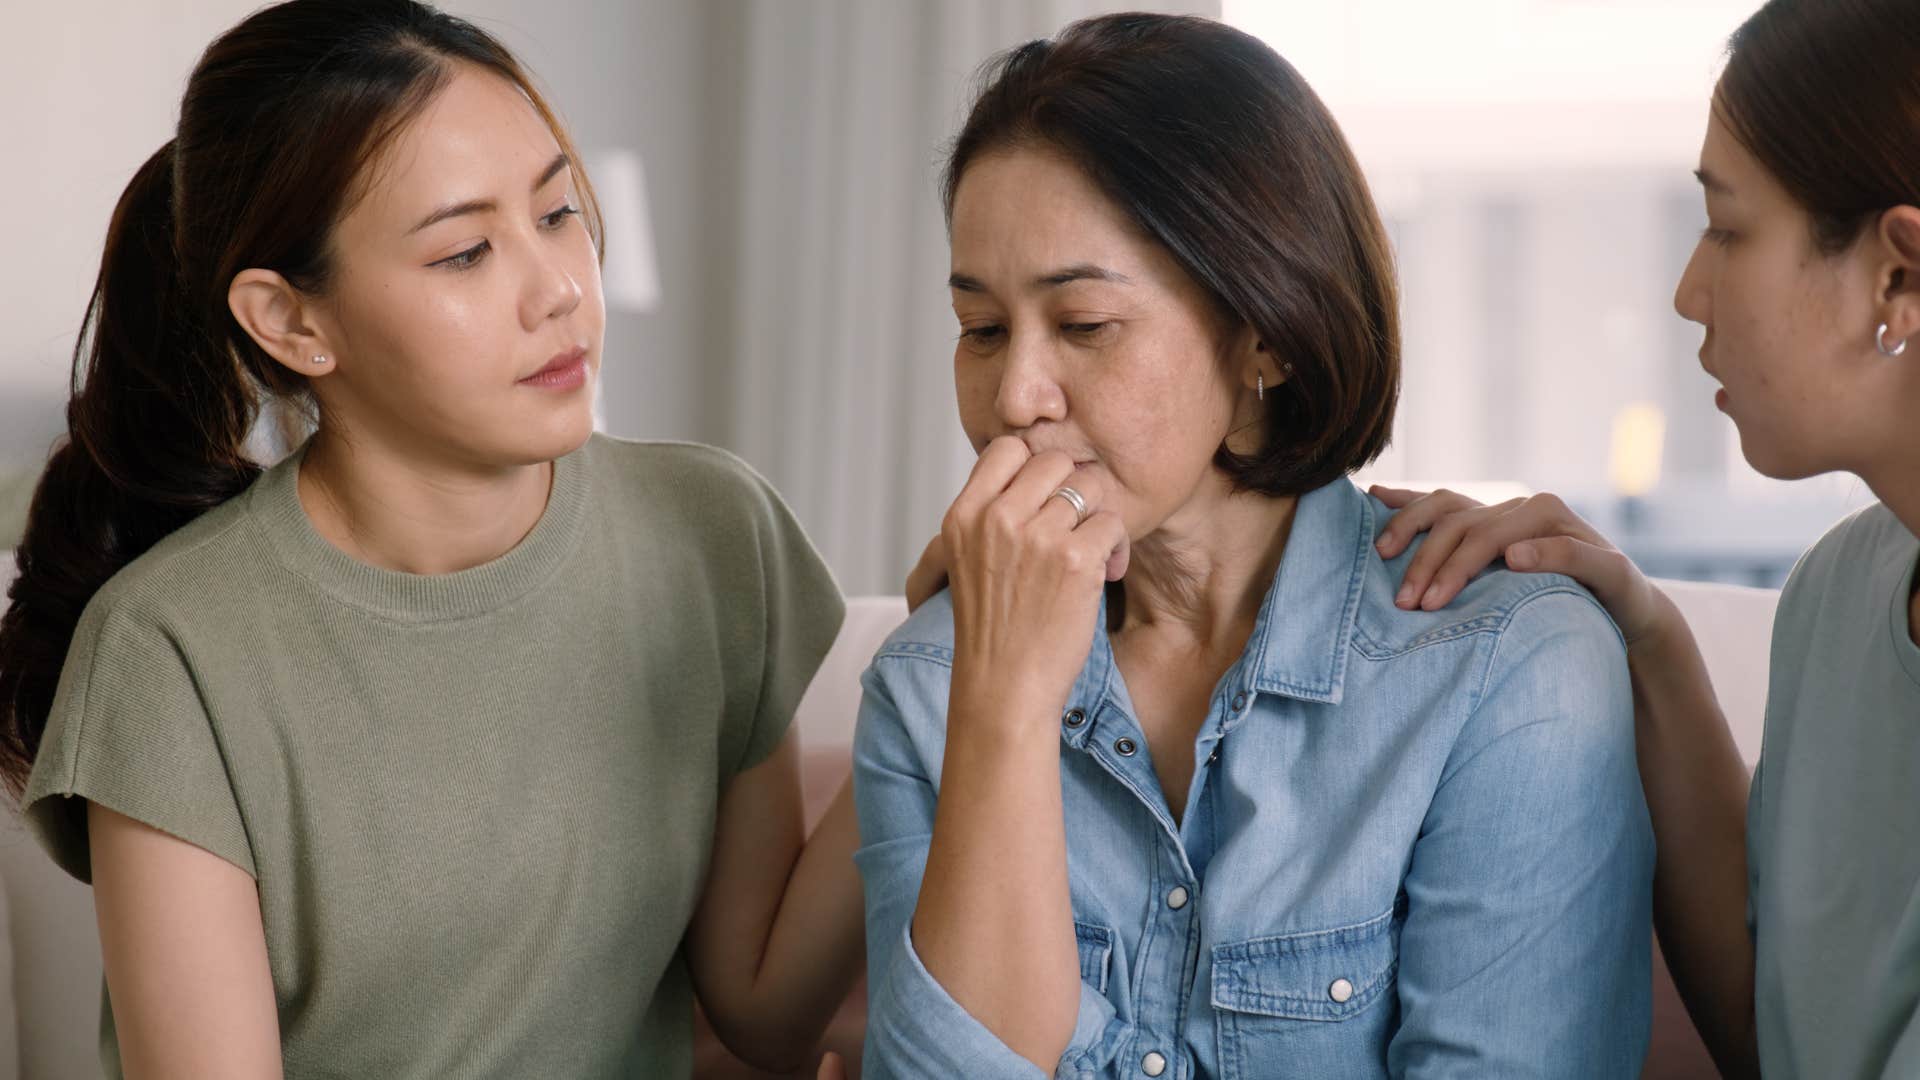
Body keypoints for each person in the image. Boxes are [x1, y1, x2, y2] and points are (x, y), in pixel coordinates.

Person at [0, 2, 862, 1075]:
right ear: (291, 322)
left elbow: (766, 1012)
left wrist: (952, 682)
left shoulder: (712, 534)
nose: (558, 291)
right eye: (464, 253)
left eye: (557, 214)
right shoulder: (170, 652)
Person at [854, 14, 1654, 1078]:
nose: (1014, 397)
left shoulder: (1510, 675)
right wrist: (1001, 712)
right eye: (982, 329)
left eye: (1085, 324)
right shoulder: (930, 683)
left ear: (1264, 336)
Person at [1370, 1, 1920, 1076]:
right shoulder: (1841, 594)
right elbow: (1774, 1030)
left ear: (1897, 274)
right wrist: (1646, 632)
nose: (1687, 292)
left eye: (1727, 227)